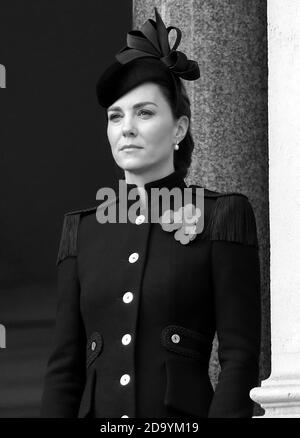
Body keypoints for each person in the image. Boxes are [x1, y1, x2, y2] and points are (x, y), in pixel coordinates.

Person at [40, 7, 261, 418]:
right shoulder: (81, 231)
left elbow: (240, 361)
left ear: (178, 129)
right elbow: (64, 371)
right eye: (115, 116)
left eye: (144, 113)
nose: (127, 128)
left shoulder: (221, 216)